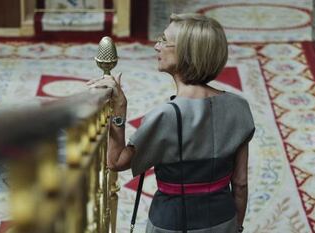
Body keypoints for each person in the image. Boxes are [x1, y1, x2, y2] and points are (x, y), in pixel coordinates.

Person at [87, 13, 255, 233]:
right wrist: (236, 227)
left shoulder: (164, 116)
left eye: (164, 40)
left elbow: (116, 161)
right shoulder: (239, 107)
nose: (157, 46)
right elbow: (240, 184)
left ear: (186, 52)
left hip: (172, 224)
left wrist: (119, 109)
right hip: (223, 220)